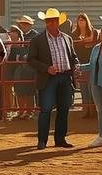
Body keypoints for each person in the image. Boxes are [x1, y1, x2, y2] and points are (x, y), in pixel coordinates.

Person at [28, 8, 79, 150]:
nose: (51, 23)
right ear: (45, 23)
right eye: (48, 21)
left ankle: (60, 139)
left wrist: (76, 65)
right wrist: (46, 68)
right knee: (45, 110)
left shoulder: (67, 38)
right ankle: (42, 140)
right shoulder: (37, 40)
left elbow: (73, 57)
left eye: (54, 21)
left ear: (58, 22)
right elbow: (31, 59)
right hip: (48, 78)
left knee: (64, 109)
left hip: (65, 76)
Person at [7, 24, 36, 114]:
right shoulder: (8, 46)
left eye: (14, 32)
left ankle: (29, 111)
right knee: (18, 91)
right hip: (14, 70)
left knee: (28, 90)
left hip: (25, 69)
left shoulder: (24, 44)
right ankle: (21, 110)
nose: (11, 34)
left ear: (18, 34)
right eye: (10, 32)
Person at [71, 13, 96, 119]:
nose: (81, 22)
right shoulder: (74, 34)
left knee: (93, 87)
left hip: (91, 63)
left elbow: (97, 43)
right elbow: (73, 48)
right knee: (83, 87)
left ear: (87, 21)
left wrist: (90, 41)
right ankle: (86, 109)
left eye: (83, 20)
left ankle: (94, 109)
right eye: (79, 20)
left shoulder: (93, 32)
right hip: (80, 62)